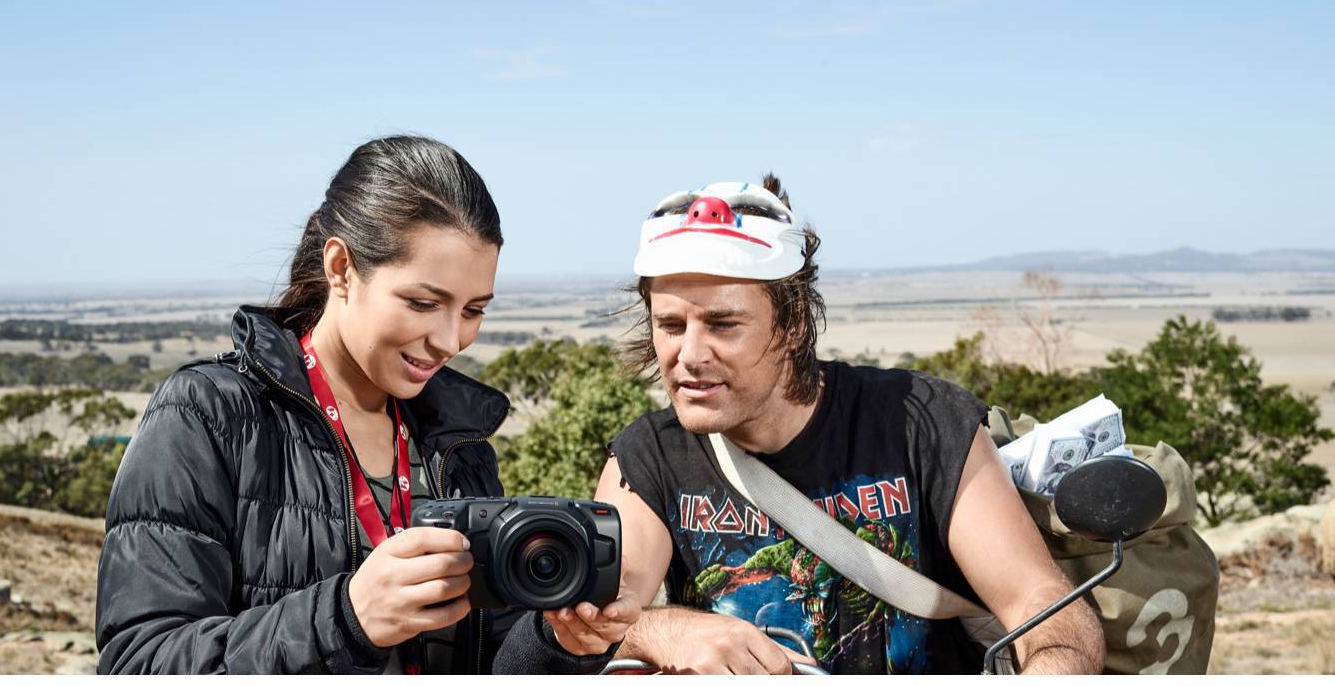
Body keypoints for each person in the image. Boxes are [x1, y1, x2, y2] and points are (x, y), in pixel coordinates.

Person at [95, 135, 636, 674]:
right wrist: (347, 618)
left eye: (474, 310)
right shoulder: (210, 416)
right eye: (423, 303)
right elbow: (139, 662)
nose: (450, 339)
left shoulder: (457, 446)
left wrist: (560, 642)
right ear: (341, 268)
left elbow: (492, 662)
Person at [595, 177, 1105, 675]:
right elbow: (600, 622)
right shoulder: (648, 457)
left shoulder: (922, 424)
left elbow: (1042, 604)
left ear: (792, 325)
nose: (689, 355)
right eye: (671, 326)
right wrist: (664, 630)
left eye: (724, 324)